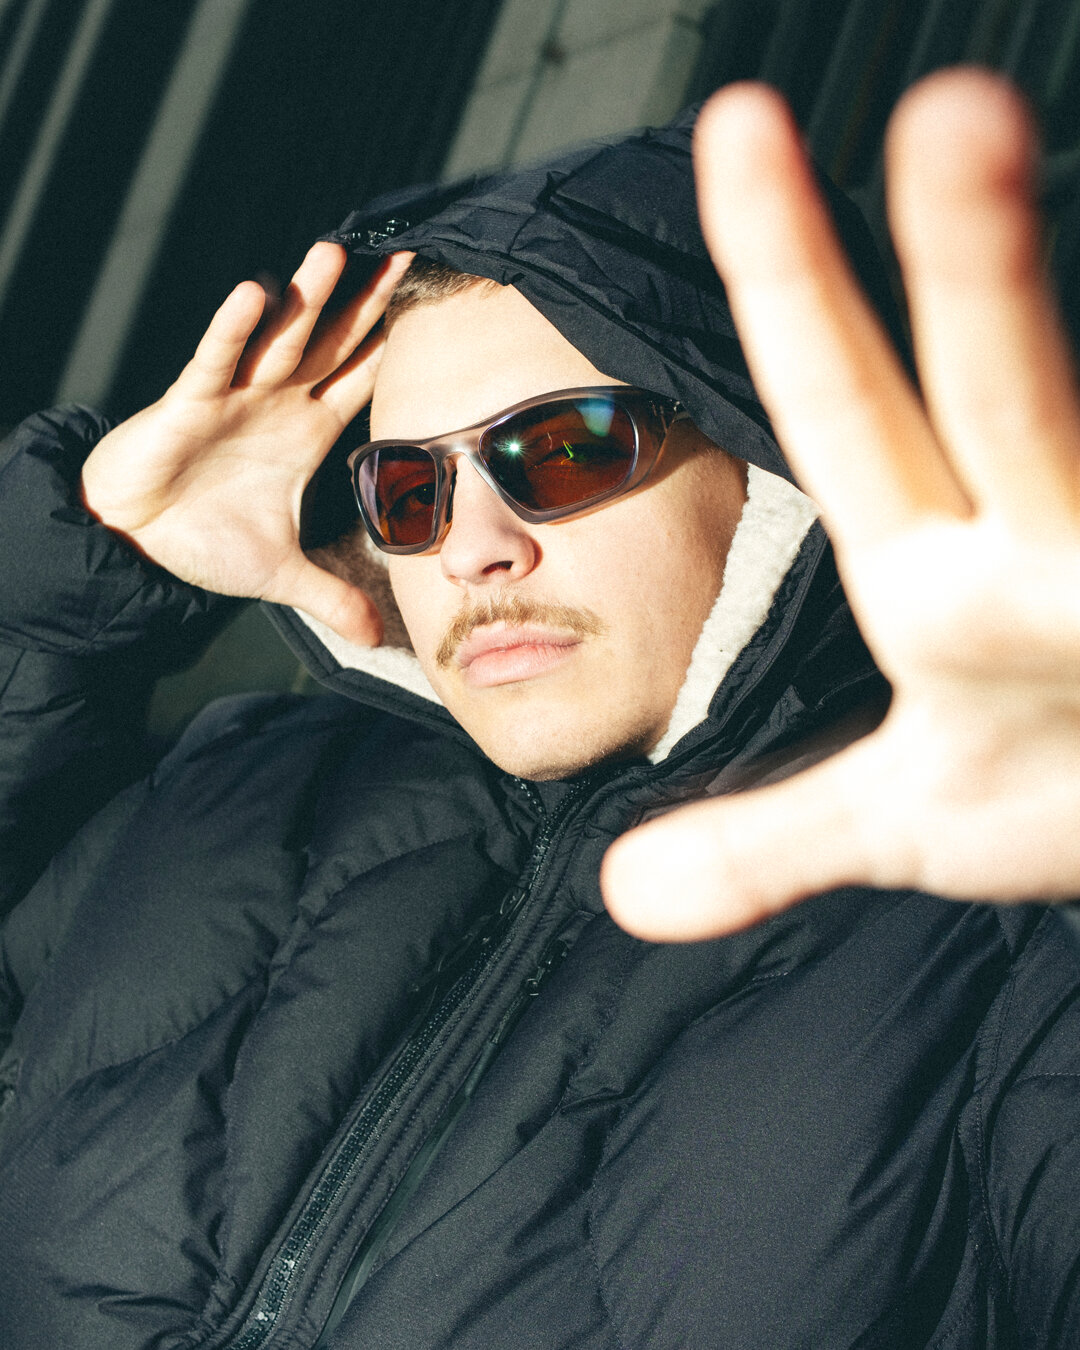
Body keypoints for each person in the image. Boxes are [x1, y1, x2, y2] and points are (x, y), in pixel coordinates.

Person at [0, 66, 1078, 1347]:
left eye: (563, 449)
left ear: (768, 471)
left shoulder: (999, 927)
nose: (471, 547)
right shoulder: (235, 782)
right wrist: (62, 603)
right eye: (411, 490)